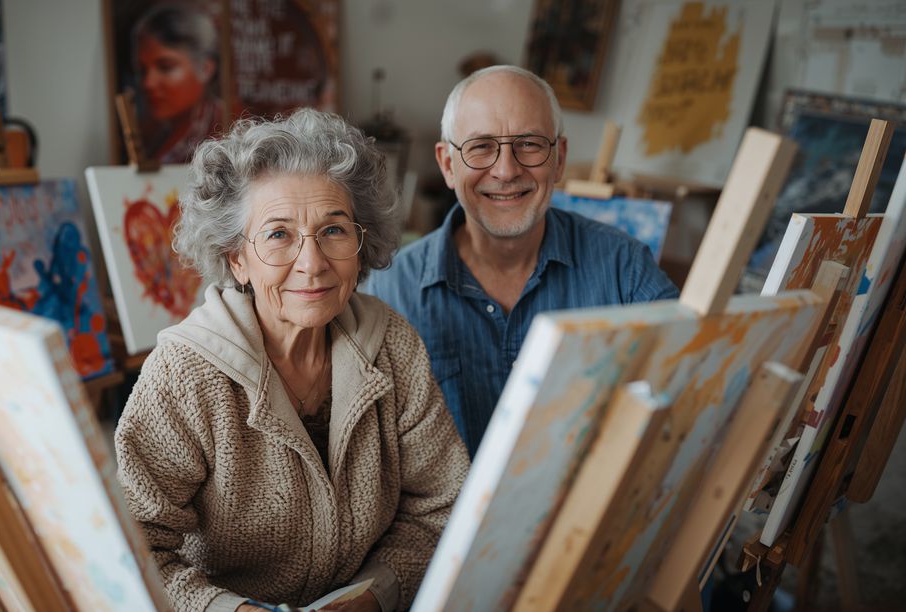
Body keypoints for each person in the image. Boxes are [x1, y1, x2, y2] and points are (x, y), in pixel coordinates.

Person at [115, 108, 469, 612]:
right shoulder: (183, 375)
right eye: (278, 234)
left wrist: (372, 598)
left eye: (334, 230)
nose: (313, 262)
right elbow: (135, 551)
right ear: (237, 258)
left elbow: (441, 508)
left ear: (361, 242)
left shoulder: (394, 346)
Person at [363, 65, 679, 457]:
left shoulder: (623, 268)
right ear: (447, 165)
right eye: (480, 147)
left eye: (529, 144)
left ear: (559, 158)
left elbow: (687, 391)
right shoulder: (390, 291)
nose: (507, 170)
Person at [132, 2, 224, 163]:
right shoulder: (151, 132)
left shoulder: (223, 127)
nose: (148, 83)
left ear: (205, 69)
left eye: (165, 67)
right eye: (142, 70)